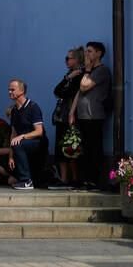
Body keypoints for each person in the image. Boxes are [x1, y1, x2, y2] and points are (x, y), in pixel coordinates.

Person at [69, 41, 111, 190]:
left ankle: (94, 180)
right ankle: (85, 179)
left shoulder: (101, 70)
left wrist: (87, 70)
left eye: (90, 51)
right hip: (82, 116)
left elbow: (84, 86)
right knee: (84, 149)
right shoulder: (87, 71)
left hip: (94, 115)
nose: (87, 54)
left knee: (94, 149)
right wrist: (72, 112)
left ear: (99, 53)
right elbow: (78, 93)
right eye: (86, 51)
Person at [49, 46, 84, 189]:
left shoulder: (80, 76)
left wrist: (70, 79)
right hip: (62, 116)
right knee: (60, 148)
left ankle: (74, 179)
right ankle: (64, 179)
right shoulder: (70, 75)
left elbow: (66, 93)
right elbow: (56, 91)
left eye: (68, 58)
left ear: (77, 59)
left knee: (71, 147)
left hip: (72, 116)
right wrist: (67, 77)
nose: (66, 61)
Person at [6, 79, 45, 191]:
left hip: (37, 142)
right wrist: (11, 156)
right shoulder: (14, 111)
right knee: (10, 176)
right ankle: (23, 177)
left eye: (12, 89)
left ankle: (26, 181)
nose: (9, 92)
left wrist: (22, 136)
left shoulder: (33, 107)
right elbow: (13, 134)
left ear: (22, 91)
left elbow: (39, 131)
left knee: (18, 144)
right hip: (22, 144)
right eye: (9, 90)